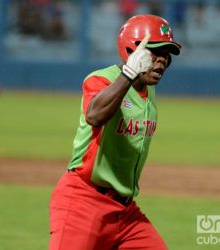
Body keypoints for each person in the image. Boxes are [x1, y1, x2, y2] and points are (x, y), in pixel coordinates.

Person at [49, 14, 181, 250]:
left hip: (126, 211)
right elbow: (94, 115)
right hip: (84, 201)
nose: (162, 61)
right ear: (132, 50)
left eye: (167, 54)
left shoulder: (148, 91)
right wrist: (128, 75)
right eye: (154, 51)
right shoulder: (102, 79)